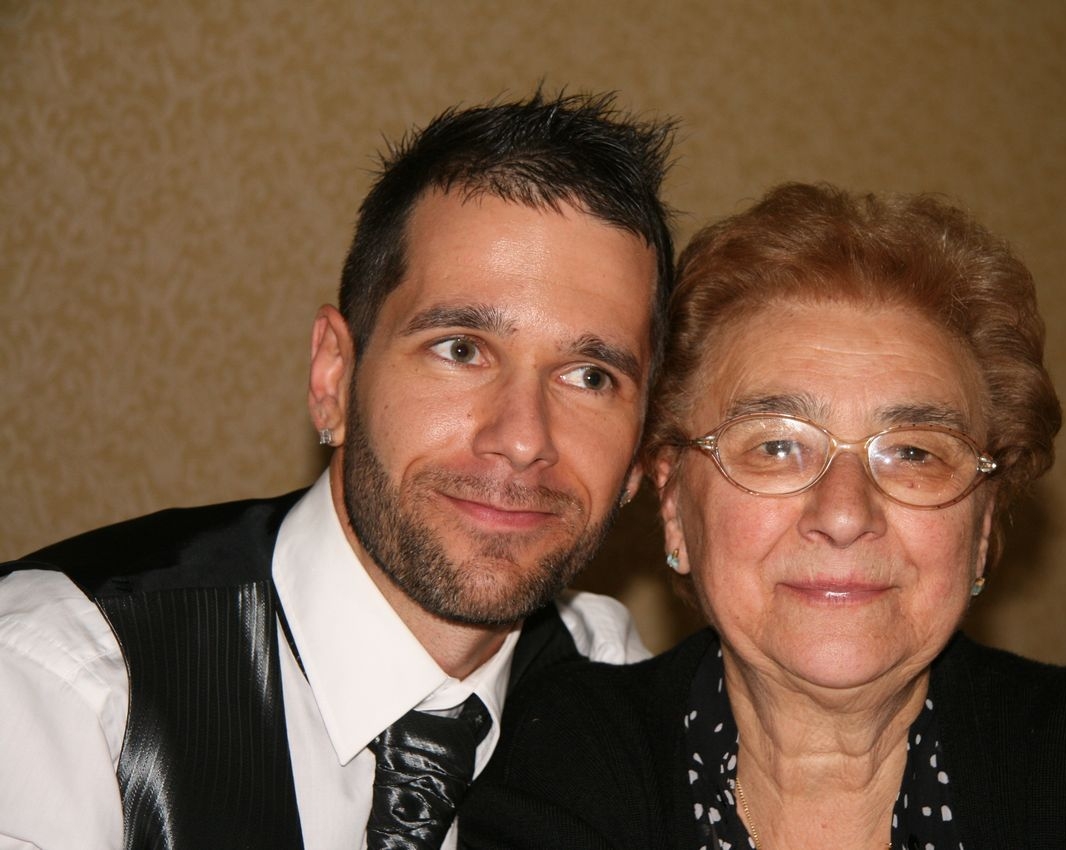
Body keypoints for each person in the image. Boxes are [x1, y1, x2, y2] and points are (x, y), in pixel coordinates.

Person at [460, 183, 1066, 849]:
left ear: (981, 528)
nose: (843, 514)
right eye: (775, 446)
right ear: (673, 506)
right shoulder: (568, 758)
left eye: (913, 453)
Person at [0, 90, 676, 850]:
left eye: (590, 376)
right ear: (334, 375)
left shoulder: (614, 684)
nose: (522, 440)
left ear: (641, 448)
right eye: (460, 349)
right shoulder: (59, 685)